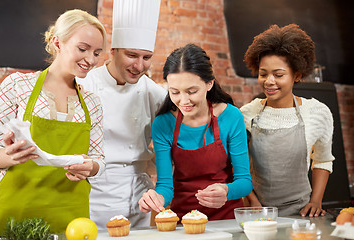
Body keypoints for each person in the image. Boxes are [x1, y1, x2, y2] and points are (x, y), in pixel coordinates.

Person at [0, 9, 106, 235]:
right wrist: (8, 156)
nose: (91, 60)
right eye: (83, 49)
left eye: (97, 53)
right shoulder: (17, 86)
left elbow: (98, 159)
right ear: (57, 42)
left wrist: (91, 167)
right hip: (17, 215)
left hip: (72, 217)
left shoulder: (92, 103)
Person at [77, 0, 167, 229]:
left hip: (138, 198)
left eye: (147, 58)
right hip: (90, 195)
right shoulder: (83, 85)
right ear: (113, 50)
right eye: (132, 55)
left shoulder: (155, 93)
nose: (139, 65)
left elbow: (172, 142)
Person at [138, 43, 253, 220]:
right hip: (184, 220)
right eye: (174, 92)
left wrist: (226, 190)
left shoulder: (231, 116)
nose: (183, 100)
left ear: (209, 84)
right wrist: (157, 197)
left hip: (227, 218)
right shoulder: (163, 123)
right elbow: (165, 185)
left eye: (192, 91)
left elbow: (244, 182)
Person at [240, 24, 334, 217]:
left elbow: (323, 160)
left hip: (301, 214)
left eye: (279, 74)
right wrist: (252, 200)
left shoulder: (318, 112)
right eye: (263, 74)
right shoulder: (247, 114)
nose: (269, 81)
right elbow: (234, 163)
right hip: (257, 212)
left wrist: (316, 201)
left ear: (297, 75)